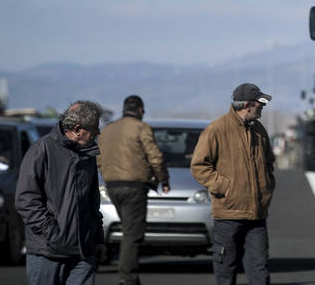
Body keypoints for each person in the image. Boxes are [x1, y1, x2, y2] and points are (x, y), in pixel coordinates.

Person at [191, 83, 276, 285]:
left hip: (257, 215)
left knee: (260, 268)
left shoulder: (259, 130)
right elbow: (199, 166)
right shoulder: (216, 130)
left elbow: (269, 163)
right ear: (247, 105)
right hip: (228, 214)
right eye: (260, 103)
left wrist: (267, 187)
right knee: (226, 268)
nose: (263, 107)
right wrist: (224, 187)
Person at [16, 100, 106, 285]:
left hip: (83, 251)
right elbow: (26, 199)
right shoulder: (42, 150)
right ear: (78, 129)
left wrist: (96, 237)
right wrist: (53, 233)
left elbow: (92, 199)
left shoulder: (87, 153)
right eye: (95, 128)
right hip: (48, 252)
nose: (98, 133)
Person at [97, 95, 170, 285]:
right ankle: (128, 278)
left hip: (112, 186)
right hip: (134, 187)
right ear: (140, 110)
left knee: (127, 230)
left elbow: (98, 158)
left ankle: (128, 275)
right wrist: (163, 179)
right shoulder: (141, 128)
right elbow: (155, 156)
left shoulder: (108, 129)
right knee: (132, 234)